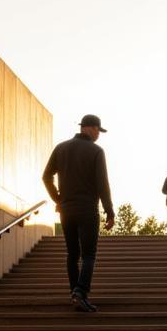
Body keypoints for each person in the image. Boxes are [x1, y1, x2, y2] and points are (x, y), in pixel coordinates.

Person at [42, 115, 115, 312]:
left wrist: (58, 199)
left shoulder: (61, 148)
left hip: (66, 210)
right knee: (88, 254)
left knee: (72, 254)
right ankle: (81, 292)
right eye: (98, 130)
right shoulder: (96, 151)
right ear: (89, 128)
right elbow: (102, 184)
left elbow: (46, 176)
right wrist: (109, 211)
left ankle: (74, 293)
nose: (99, 134)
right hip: (87, 210)